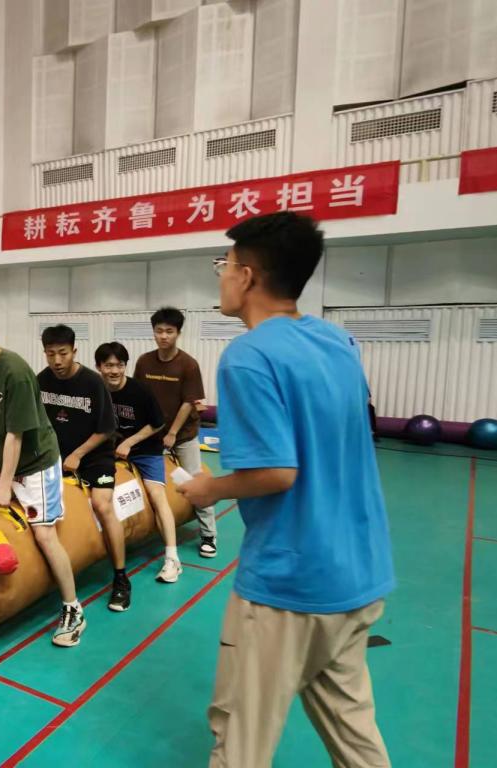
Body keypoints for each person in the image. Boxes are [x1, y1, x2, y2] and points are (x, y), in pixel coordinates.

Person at [178, 212, 395, 767]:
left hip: (290, 585)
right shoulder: (337, 341)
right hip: (358, 574)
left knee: (239, 744)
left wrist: (209, 488)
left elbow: (277, 473)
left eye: (225, 264)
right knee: (356, 738)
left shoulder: (249, 356)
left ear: (247, 275)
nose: (222, 276)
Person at [0, 302, 85, 647]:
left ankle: (73, 608)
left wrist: (5, 486)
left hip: (37, 462)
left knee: (44, 535)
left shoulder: (16, 372)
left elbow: (15, 434)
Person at [37, 324, 129, 611]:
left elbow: (107, 429)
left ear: (74, 351)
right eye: (50, 354)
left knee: (102, 505)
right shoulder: (41, 380)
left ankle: (121, 578)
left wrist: (78, 454)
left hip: (94, 457)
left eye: (63, 353)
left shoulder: (92, 382)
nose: (57, 360)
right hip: (56, 457)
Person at [95, 341, 182, 584]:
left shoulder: (139, 391)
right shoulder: (97, 389)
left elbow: (158, 423)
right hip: (111, 450)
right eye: (108, 366)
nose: (114, 371)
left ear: (125, 366)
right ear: (99, 367)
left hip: (145, 450)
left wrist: (130, 442)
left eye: (119, 365)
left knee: (156, 495)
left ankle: (172, 558)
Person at [134, 306, 217, 558]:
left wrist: (172, 434)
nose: (163, 336)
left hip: (182, 435)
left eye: (169, 331)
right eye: (159, 331)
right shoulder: (144, 362)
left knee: (192, 480)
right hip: (151, 433)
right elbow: (138, 396)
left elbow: (188, 402)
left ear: (178, 333)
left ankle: (209, 535)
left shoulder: (188, 365)